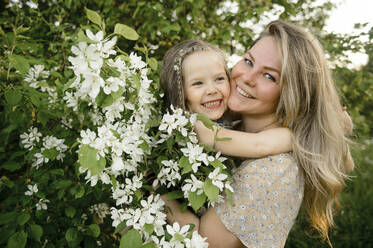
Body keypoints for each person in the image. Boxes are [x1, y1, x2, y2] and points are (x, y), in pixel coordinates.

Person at [159, 20, 354, 248]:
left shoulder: (275, 169)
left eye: (269, 76)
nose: (247, 78)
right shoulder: (226, 120)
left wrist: (155, 194)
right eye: (249, 61)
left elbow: (202, 245)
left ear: (292, 94)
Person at [160, 39, 292, 158]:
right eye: (198, 83)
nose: (212, 90)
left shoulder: (227, 117)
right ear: (180, 93)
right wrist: (292, 137)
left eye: (219, 79)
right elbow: (259, 145)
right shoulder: (197, 127)